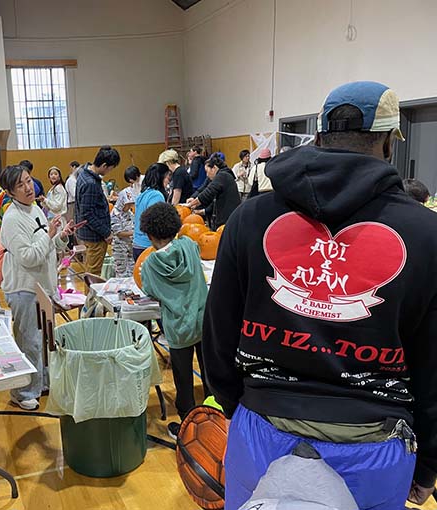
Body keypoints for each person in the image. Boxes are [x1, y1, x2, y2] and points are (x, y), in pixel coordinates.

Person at [203, 81, 437, 509]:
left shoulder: (249, 217)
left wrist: (237, 404)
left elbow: (217, 332)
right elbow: (434, 369)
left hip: (261, 427)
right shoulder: (427, 233)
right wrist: (427, 466)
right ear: (388, 143)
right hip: (374, 443)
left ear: (319, 135)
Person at [0, 165, 78, 410]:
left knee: (44, 340)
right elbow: (28, 257)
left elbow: (47, 245)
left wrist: (61, 236)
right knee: (29, 341)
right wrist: (49, 235)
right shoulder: (12, 219)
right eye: (20, 185)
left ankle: (41, 383)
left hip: (43, 287)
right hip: (23, 288)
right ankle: (22, 392)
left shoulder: (35, 209)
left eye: (28, 181)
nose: (27, 187)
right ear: (10, 192)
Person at [139, 202, 208, 440]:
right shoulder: (189, 245)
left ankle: (187, 424)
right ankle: (215, 419)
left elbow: (150, 290)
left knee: (183, 376)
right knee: (209, 372)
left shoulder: (149, 265)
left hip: (178, 327)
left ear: (149, 234)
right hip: (202, 318)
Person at [74, 146, 121, 275]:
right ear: (105, 165)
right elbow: (87, 214)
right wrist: (106, 233)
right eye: (111, 168)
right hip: (94, 236)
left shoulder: (83, 173)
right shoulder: (91, 183)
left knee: (90, 270)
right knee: (93, 273)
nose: (110, 171)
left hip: (88, 233)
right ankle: (90, 295)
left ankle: (89, 295)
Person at [186, 155, 241, 230]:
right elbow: (205, 189)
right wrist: (195, 201)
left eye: (207, 171)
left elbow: (208, 193)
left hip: (227, 219)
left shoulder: (222, 176)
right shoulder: (224, 175)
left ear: (214, 168)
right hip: (229, 218)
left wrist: (189, 205)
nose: (207, 175)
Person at [133, 163, 171, 261]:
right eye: (167, 177)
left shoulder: (143, 194)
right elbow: (155, 221)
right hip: (148, 246)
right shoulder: (156, 195)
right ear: (161, 178)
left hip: (137, 244)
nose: (168, 181)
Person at [110, 188, 135, 278]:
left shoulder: (129, 213)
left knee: (132, 269)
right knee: (122, 271)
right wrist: (134, 233)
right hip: (119, 246)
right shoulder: (115, 213)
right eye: (127, 204)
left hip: (130, 245)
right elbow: (118, 232)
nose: (128, 207)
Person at [64, 160, 80, 225]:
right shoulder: (71, 180)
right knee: (72, 223)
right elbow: (74, 194)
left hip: (73, 203)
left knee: (74, 222)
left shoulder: (74, 179)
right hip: (72, 204)